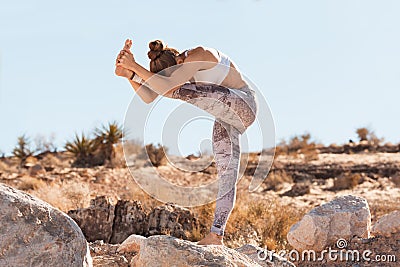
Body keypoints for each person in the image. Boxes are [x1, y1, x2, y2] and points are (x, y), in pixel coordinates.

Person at [115, 39, 258, 246]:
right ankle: (216, 235)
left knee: (179, 90)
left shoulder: (198, 54)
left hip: (244, 103)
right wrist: (128, 75)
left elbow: (169, 88)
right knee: (227, 176)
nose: (171, 82)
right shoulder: (181, 77)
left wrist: (133, 68)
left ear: (177, 62)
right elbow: (150, 96)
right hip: (227, 117)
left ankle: (216, 235)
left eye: (170, 76)